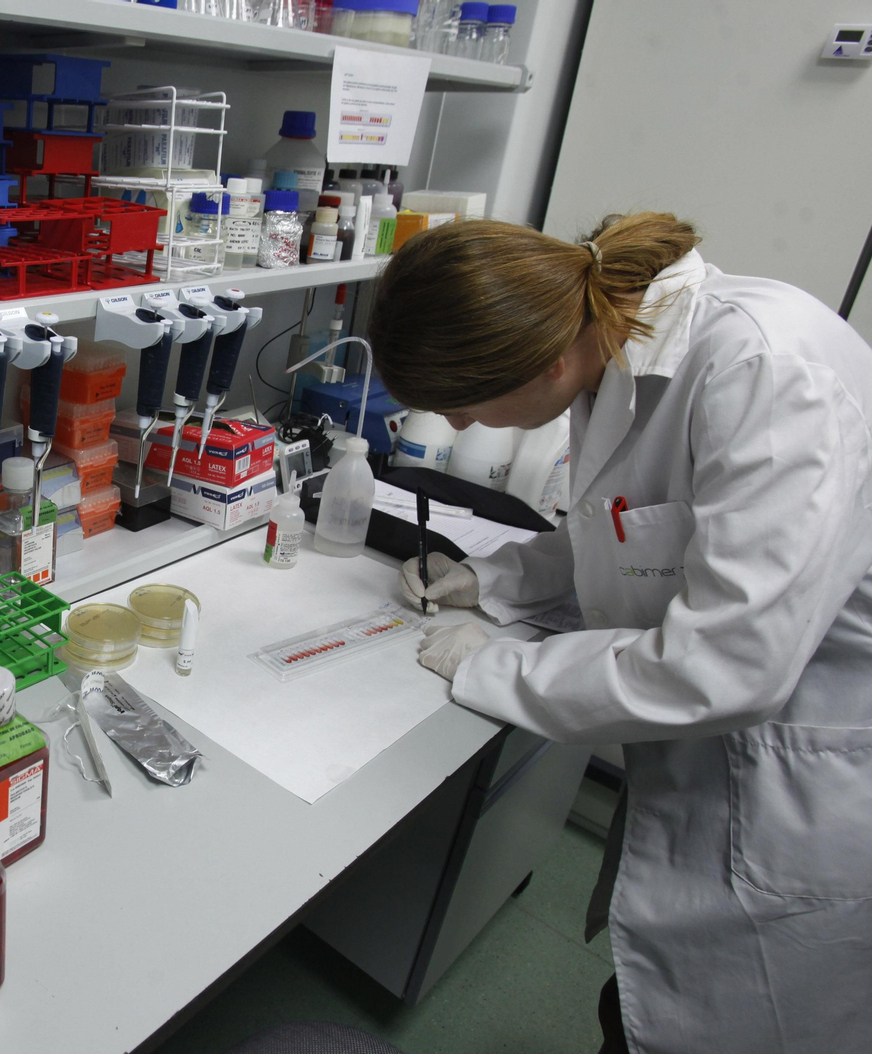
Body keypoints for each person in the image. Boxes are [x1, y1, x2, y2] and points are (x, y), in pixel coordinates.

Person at [369, 213, 872, 1054]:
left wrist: (500, 667)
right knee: (645, 1006)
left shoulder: (764, 371)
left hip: (811, 775)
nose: (455, 430)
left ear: (546, 361)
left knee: (744, 1019)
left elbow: (728, 667)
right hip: (712, 759)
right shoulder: (608, 356)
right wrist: (491, 577)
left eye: (459, 407)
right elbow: (631, 531)